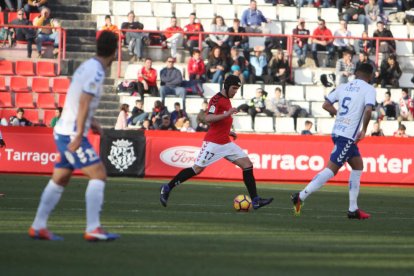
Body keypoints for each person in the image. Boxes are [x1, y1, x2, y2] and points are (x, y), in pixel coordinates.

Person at [28, 31, 120, 241]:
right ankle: (93, 228)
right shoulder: (96, 72)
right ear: (114, 52)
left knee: (61, 178)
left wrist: (92, 122)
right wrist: (80, 133)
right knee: (98, 174)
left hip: (63, 129)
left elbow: (76, 97)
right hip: (71, 133)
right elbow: (84, 101)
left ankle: (38, 226)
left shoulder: (88, 66)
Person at [159, 75, 273, 209]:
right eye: (234, 88)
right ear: (226, 86)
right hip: (213, 143)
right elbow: (208, 118)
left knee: (247, 165)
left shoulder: (227, 99)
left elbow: (220, 121)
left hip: (225, 141)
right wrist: (226, 114)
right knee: (197, 169)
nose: (235, 91)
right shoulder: (216, 99)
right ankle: (167, 187)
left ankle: (255, 200)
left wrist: (228, 131)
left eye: (237, 89)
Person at [291, 63, 376, 220]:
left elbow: (326, 104)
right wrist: (364, 130)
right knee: (331, 170)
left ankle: (353, 209)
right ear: (370, 75)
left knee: (358, 166)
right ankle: (300, 196)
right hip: (348, 136)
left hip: (338, 131)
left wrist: (338, 114)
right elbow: (369, 110)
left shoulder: (344, 86)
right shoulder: (369, 89)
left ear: (356, 73)